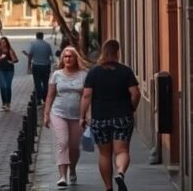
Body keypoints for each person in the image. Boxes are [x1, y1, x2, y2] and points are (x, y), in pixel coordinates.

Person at [80, 40, 140, 191]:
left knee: (105, 154)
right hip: (122, 116)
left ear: (102, 52)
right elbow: (135, 93)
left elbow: (86, 96)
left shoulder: (93, 72)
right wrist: (131, 107)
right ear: (118, 52)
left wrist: (82, 116)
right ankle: (120, 173)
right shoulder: (125, 71)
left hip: (100, 117)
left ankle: (108, 188)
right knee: (122, 151)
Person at [44, 46, 89, 188]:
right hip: (58, 113)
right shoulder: (56, 74)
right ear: (62, 59)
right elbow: (50, 95)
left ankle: (73, 169)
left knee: (74, 147)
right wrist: (46, 114)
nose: (68, 59)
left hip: (77, 116)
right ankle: (62, 176)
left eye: (70, 56)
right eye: (65, 56)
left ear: (76, 59)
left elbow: (87, 97)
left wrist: (87, 115)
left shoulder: (84, 75)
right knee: (62, 143)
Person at [24, 31, 55, 102]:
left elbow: (30, 56)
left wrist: (29, 66)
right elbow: (50, 55)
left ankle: (39, 98)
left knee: (37, 82)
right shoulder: (47, 45)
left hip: (36, 66)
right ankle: (45, 97)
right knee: (45, 82)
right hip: (46, 66)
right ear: (42, 36)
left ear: (36, 36)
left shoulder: (33, 45)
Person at [0, 36, 19, 111]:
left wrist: (12, 61)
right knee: (2, 86)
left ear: (7, 43)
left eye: (4, 42)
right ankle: (4, 102)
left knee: (7, 86)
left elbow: (16, 59)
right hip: (0, 70)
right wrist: (0, 58)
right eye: (1, 42)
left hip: (9, 70)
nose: (3, 44)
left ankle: (8, 103)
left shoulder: (10, 50)